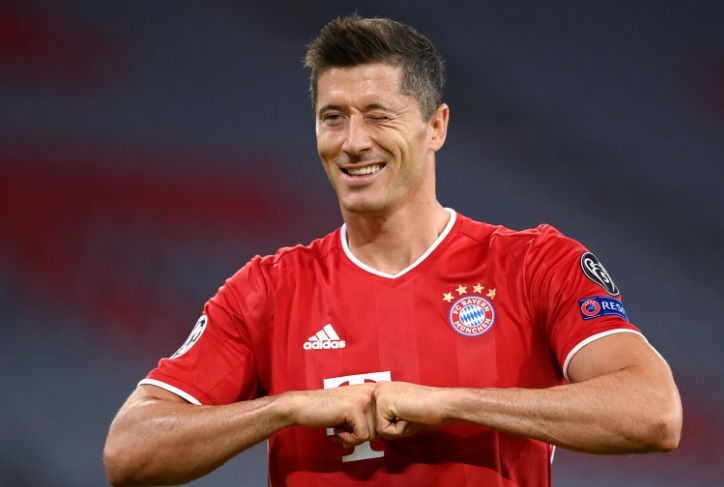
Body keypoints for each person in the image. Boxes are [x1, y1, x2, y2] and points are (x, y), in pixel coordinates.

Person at [103, 14, 682, 487]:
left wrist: (452, 404)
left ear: (437, 127)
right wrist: (283, 409)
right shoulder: (268, 290)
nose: (353, 142)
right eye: (333, 118)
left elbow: (653, 413)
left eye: (379, 116)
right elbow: (129, 451)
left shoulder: (535, 265)